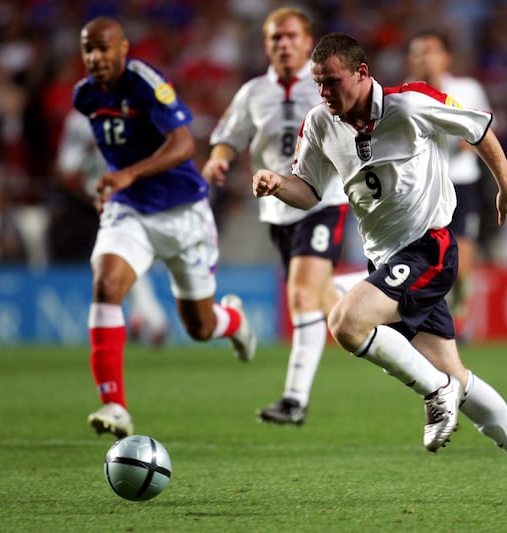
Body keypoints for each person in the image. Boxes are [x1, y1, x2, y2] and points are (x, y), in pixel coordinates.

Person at [253, 33, 507, 507]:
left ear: (361, 74)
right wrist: (278, 184)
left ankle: (433, 391)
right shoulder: (319, 123)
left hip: (429, 248)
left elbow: (477, 128)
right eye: (318, 84)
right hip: (386, 258)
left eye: (332, 82)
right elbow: (309, 190)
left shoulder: (410, 103)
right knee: (455, 376)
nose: (324, 93)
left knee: (345, 321)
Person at [74, 16, 257, 438]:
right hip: (130, 210)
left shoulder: (145, 83)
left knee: (199, 327)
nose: (96, 57)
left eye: (104, 48)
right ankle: (114, 403)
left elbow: (183, 144)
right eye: (88, 49)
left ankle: (232, 321)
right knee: (106, 285)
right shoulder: (85, 96)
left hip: (182, 213)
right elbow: (117, 146)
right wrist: (111, 182)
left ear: (123, 49)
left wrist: (128, 174)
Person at [203, 7, 353, 425]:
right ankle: (373, 287)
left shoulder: (325, 84)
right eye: (275, 38)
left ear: (308, 42)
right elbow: (226, 137)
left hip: (324, 200)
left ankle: (294, 400)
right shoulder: (253, 93)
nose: (283, 44)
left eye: (290, 36)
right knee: (316, 298)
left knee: (303, 294)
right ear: (266, 45)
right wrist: (218, 161)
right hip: (276, 208)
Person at [56, 108, 170, 347]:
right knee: (119, 259)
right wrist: (86, 153)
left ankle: (148, 318)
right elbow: (66, 165)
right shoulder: (78, 121)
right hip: (90, 201)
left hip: (128, 194)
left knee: (126, 255)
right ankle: (145, 317)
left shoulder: (131, 110)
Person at [406, 30, 492, 343]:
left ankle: (460, 318)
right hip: (423, 187)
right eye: (418, 51)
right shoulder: (404, 95)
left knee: (463, 257)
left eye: (430, 50)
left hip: (462, 181)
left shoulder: (467, 89)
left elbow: (480, 131)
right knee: (426, 259)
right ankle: (428, 319)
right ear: (410, 60)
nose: (424, 57)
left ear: (446, 57)